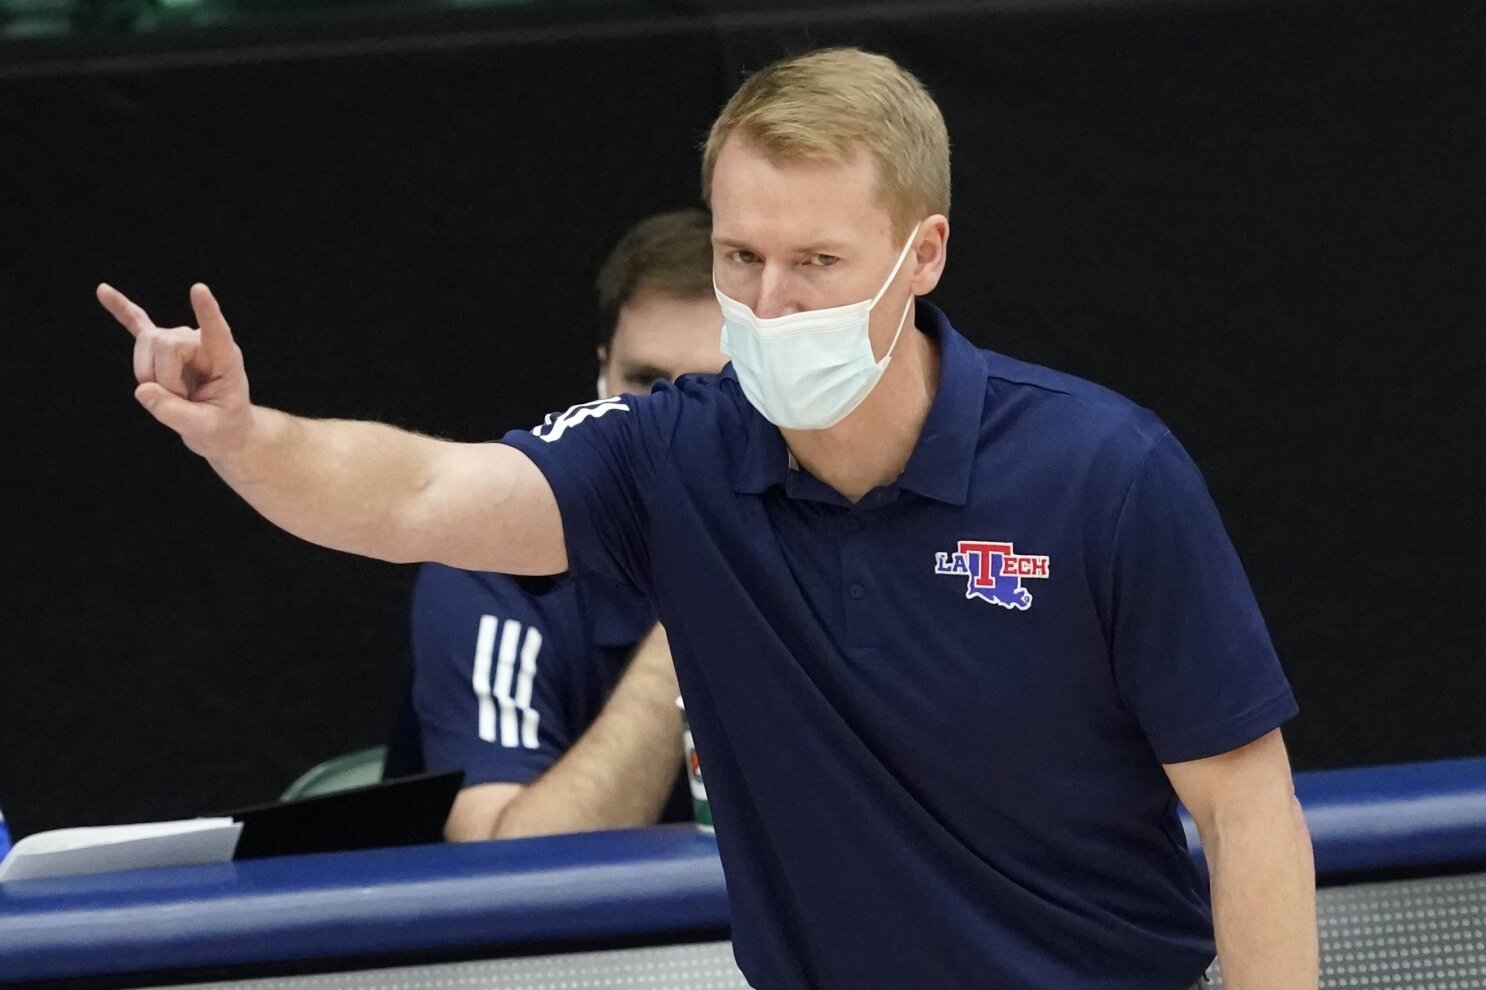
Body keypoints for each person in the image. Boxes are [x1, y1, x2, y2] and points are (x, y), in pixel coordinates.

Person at [100, 47, 1317, 990]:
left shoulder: (1105, 471)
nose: (772, 304)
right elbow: (420, 493)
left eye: (817, 263)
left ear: (925, 253)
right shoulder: (671, 454)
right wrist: (249, 435)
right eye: (741, 257)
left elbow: (1246, 813)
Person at [401, 208, 727, 841]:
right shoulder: (491, 556)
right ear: (602, 372)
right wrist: (693, 619)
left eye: (715, 389)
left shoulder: (847, 539)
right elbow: (507, 868)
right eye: (645, 383)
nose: (671, 423)